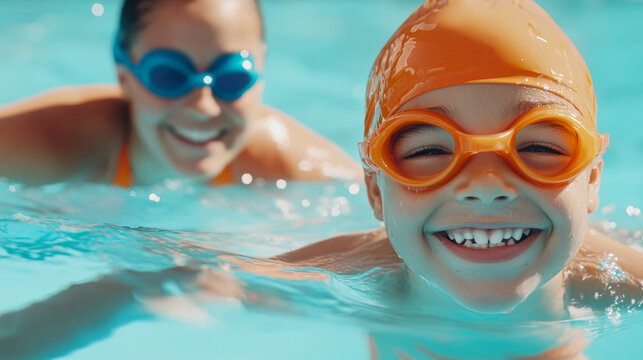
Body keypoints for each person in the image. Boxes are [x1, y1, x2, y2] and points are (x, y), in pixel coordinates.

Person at [2, 1, 642, 359]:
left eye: (538, 147)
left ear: (593, 178)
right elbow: (157, 281)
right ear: (374, 192)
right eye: (425, 150)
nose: (485, 184)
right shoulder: (352, 274)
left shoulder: (620, 283)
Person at [0, 0, 361, 186]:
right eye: (169, 76)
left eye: (232, 77)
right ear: (124, 76)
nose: (203, 107)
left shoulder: (287, 167)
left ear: (262, 71)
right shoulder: (53, 147)